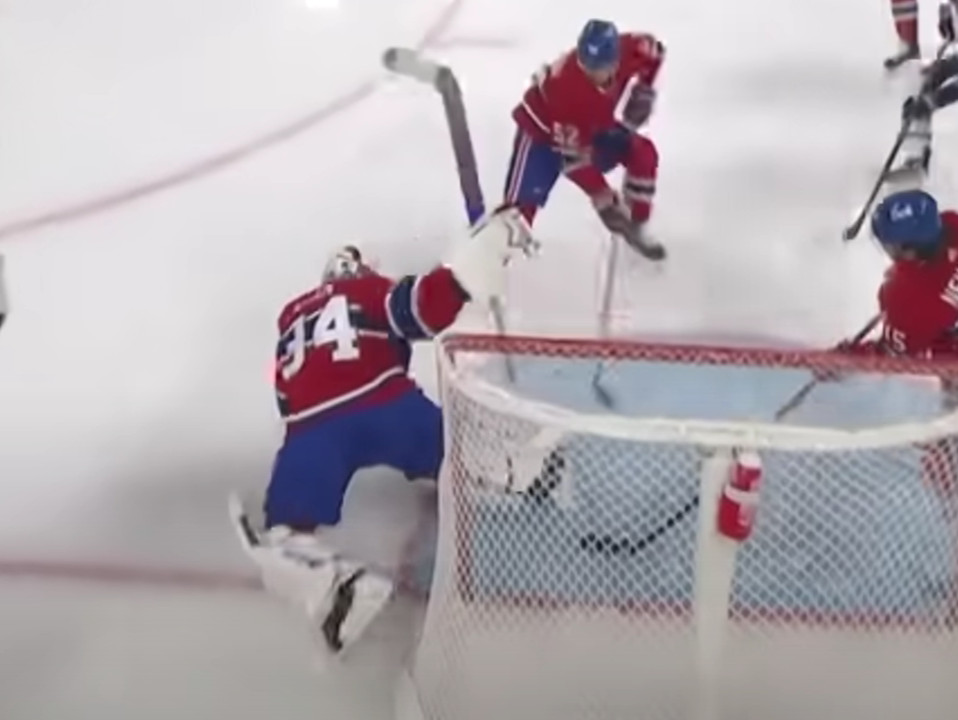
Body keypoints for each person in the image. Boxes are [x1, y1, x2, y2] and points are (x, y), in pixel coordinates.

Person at [230, 208, 537, 656]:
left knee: (283, 534)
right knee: (465, 454)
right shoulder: (369, 289)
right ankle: (519, 469)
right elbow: (422, 312)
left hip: (312, 428)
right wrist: (461, 275)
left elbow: (284, 394)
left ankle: (342, 591)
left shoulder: (290, 318)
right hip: (384, 404)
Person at [502, 18, 667, 261]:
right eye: (585, 64)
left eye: (598, 67)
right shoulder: (565, 90)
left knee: (643, 152)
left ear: (616, 60)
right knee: (516, 214)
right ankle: (490, 261)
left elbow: (656, 53)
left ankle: (637, 224)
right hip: (541, 135)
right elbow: (572, 160)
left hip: (589, 125)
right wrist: (602, 196)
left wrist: (645, 90)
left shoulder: (633, 49)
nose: (590, 72)